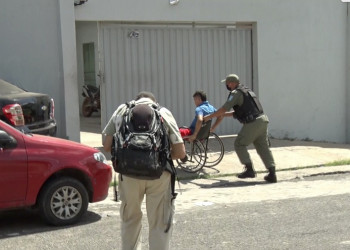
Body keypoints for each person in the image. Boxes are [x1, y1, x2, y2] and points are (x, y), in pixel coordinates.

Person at [102, 91, 186, 250]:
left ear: (137, 100)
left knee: (130, 219)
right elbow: (180, 152)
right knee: (159, 222)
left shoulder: (122, 111)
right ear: (154, 101)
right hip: (159, 176)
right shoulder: (162, 112)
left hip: (129, 174)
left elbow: (107, 145)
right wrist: (159, 158)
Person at [203, 74, 277, 183]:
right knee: (263, 147)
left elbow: (224, 108)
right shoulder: (247, 91)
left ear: (232, 83)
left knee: (239, 144)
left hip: (253, 123)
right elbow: (239, 112)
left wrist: (209, 117)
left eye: (227, 83)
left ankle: (249, 170)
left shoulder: (236, 93)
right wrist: (223, 115)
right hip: (262, 120)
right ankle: (272, 173)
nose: (227, 85)